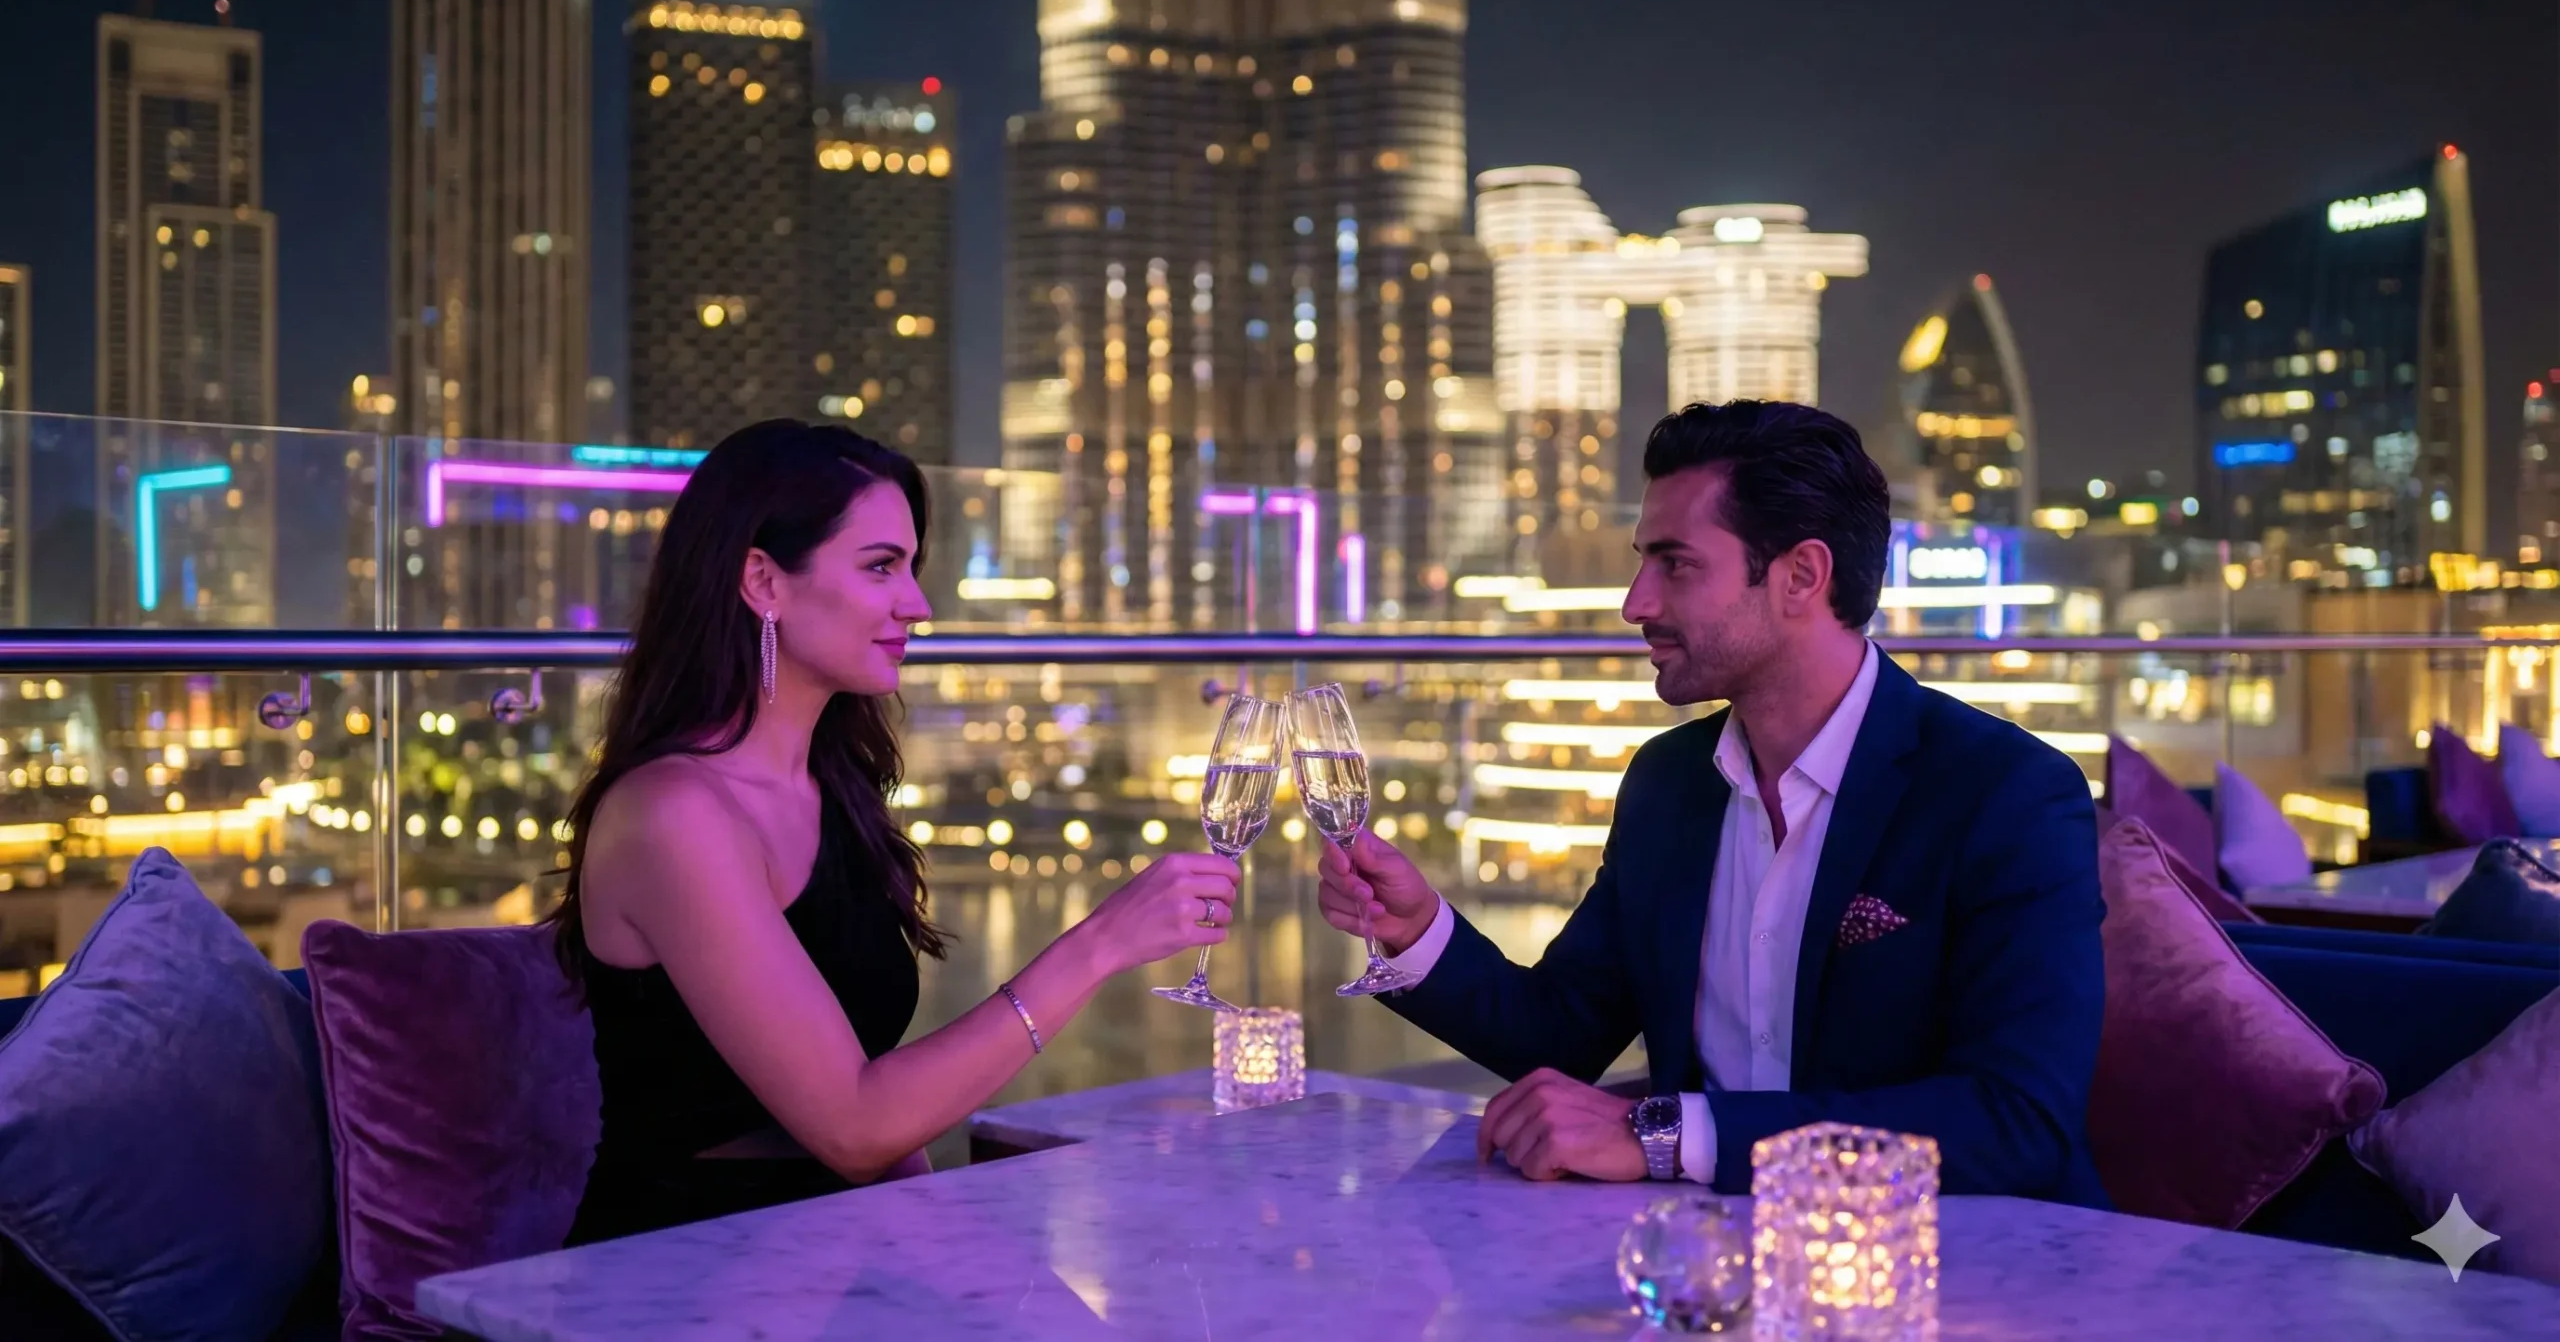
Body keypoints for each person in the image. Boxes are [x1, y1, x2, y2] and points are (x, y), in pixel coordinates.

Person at [1318, 400, 2108, 1203]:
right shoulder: (1668, 783)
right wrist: (1417, 934)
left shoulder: (2006, 791)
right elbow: (1560, 1032)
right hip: (1705, 1266)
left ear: (1801, 575)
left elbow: (2018, 1123)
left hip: (1964, 1275)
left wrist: (1668, 1135)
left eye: (1676, 564)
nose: (1636, 602)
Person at [551, 420, 1239, 1242]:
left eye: (911, 567)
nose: (916, 603)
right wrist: (1099, 944)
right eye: (881, 567)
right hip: (680, 1265)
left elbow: (882, 1127)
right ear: (762, 581)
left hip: (832, 1242)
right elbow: (853, 1122)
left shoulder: (831, 788)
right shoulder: (674, 813)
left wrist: (953, 1242)